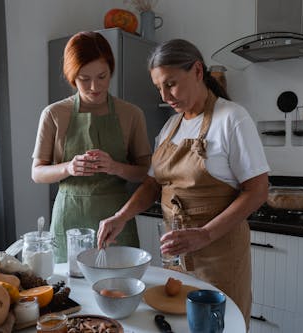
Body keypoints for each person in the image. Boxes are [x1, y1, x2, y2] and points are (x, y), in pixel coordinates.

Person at [97, 39, 270, 327]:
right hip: (177, 256)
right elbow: (153, 185)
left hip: (220, 256)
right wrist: (121, 216)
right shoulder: (170, 126)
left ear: (198, 71)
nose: (166, 96)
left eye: (171, 84)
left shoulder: (232, 118)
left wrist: (203, 234)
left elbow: (258, 190)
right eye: (159, 88)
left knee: (219, 326)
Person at [31, 31, 152, 263]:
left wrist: (115, 167)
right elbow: (37, 172)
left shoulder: (131, 114)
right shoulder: (54, 114)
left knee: (119, 289)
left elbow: (146, 173)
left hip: (117, 219)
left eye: (102, 76)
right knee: (70, 293)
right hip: (68, 221)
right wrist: (69, 168)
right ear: (72, 76)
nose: (94, 86)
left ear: (111, 71)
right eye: (84, 79)